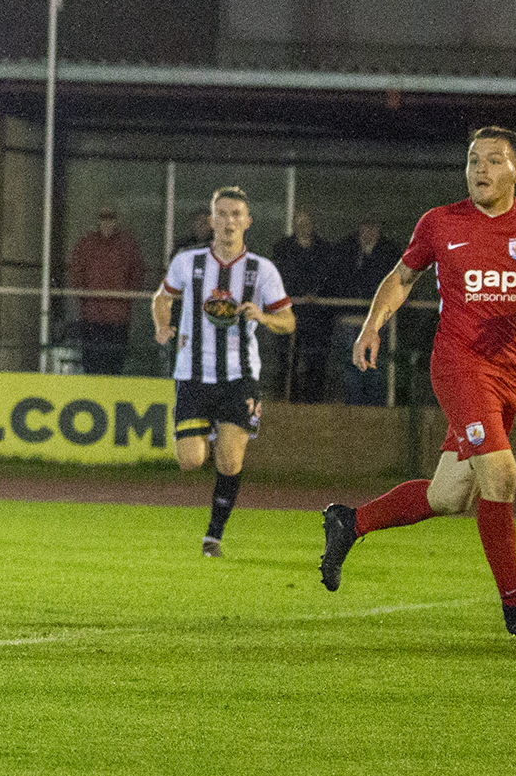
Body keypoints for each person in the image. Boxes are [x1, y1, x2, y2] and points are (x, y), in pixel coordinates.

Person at [319, 126, 516, 642]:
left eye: (494, 161)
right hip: (458, 365)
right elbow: (401, 278)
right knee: (502, 474)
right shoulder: (440, 222)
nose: (481, 170)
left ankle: (350, 522)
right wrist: (371, 325)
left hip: (508, 374)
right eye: (474, 160)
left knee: (448, 495)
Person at [152, 187, 294, 557]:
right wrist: (162, 327)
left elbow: (288, 321)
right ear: (211, 220)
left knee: (230, 461)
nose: (229, 221)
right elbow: (162, 298)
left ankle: (213, 537)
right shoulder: (188, 261)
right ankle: (215, 429)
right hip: (193, 375)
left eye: (236, 215)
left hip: (239, 377)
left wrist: (263, 316)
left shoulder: (262, 270)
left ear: (248, 222)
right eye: (222, 214)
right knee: (191, 461)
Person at [329, 218, 402, 406]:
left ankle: (375, 411)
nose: (368, 232)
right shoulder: (348, 250)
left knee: (375, 365)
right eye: (364, 227)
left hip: (378, 321)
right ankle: (353, 410)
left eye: (372, 227)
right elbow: (341, 280)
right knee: (352, 364)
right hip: (351, 319)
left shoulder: (388, 252)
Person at [68, 205, 145, 375]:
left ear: (116, 220)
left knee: (115, 362)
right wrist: (85, 299)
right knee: (91, 362)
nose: (107, 222)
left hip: (117, 317)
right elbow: (77, 273)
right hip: (92, 316)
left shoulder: (127, 245)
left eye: (110, 218)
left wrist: (125, 301)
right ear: (98, 220)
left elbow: (136, 274)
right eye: (103, 217)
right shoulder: (87, 243)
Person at [270, 208, 333, 402]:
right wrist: (294, 294)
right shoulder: (283, 248)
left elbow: (329, 277)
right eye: (299, 222)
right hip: (290, 310)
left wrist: (316, 293)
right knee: (287, 358)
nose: (303, 226)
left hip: (316, 314)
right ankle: (287, 400)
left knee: (315, 359)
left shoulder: (324, 249)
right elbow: (279, 276)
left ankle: (313, 400)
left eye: (306, 222)